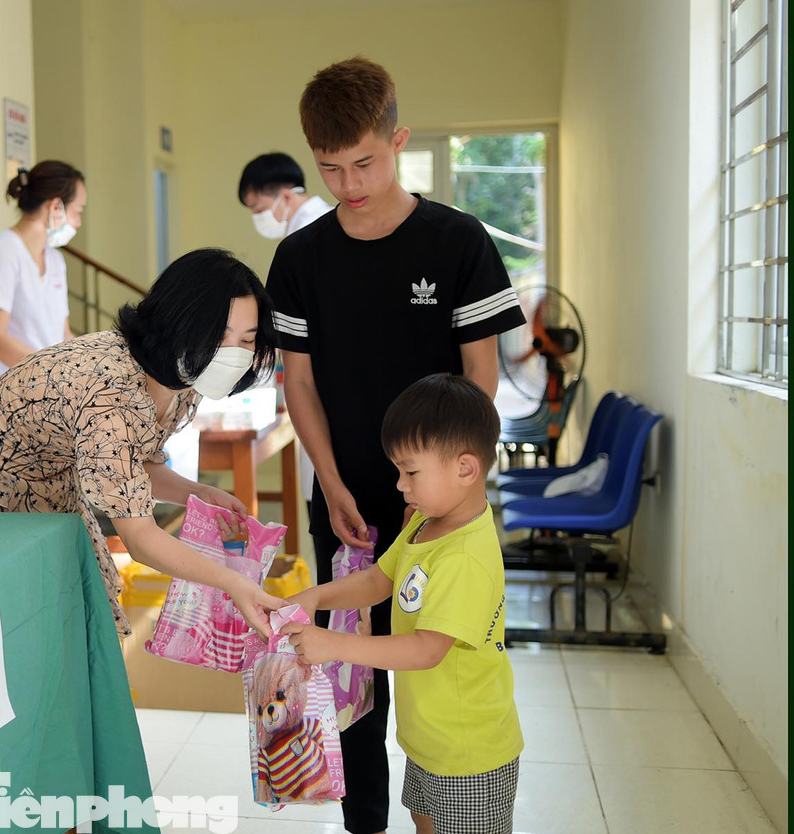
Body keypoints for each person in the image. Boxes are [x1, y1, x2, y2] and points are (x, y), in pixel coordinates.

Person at [265, 57, 524, 834]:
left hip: (439, 501)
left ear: (399, 140)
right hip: (346, 497)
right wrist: (334, 482)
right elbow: (299, 385)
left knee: (431, 660)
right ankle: (366, 823)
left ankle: (452, 799)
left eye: (366, 163)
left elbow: (482, 378)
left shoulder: (457, 242)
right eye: (330, 169)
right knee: (347, 672)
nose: (349, 184)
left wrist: (442, 490)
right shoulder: (301, 259)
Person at [0, 248, 285, 640]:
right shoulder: (109, 388)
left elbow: (134, 465)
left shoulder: (185, 375)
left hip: (48, 504)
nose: (234, 353)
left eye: (247, 340)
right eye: (219, 336)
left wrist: (195, 493)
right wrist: (233, 583)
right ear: (178, 322)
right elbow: (140, 539)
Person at [281, 374, 523, 834]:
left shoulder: (466, 557)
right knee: (424, 822)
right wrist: (316, 596)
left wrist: (333, 644)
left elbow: (425, 649)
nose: (399, 485)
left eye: (410, 472)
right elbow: (377, 580)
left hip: (469, 754)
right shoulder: (424, 525)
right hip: (428, 741)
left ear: (466, 469)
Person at [236, 151, 333, 534]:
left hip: (324, 387)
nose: (258, 219)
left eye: (258, 208)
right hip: (317, 383)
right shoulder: (308, 231)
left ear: (286, 197)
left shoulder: (310, 238)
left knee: (328, 508)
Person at [0, 160, 84, 411]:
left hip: (38, 397)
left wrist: (87, 365)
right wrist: (51, 373)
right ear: (56, 206)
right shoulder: (0, 252)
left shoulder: (55, 260)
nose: (78, 222)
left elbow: (63, 333)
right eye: (78, 211)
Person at [238, 151, 332, 241]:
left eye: (260, 210)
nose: (257, 218)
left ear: (286, 197)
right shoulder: (329, 219)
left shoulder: (308, 237)